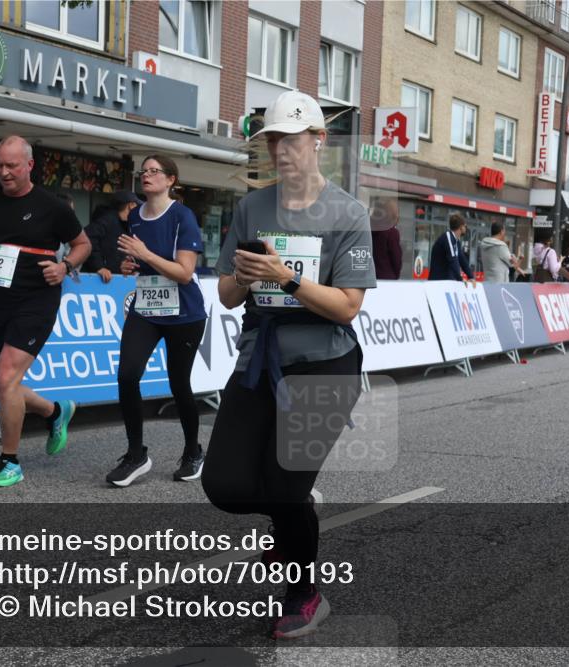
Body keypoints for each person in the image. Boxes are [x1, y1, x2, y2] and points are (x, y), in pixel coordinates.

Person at [201, 90, 375, 639]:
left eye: (291, 139)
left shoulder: (348, 212)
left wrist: (289, 279)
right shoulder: (252, 206)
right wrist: (246, 278)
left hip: (325, 362)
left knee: (283, 488)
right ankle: (292, 508)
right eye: (272, 140)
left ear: (318, 141)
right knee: (225, 486)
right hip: (259, 359)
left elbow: (348, 306)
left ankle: (304, 594)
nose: (280, 150)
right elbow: (228, 295)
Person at [0, 136, 91, 487]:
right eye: (0, 166)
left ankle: (10, 461)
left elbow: (83, 245)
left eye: (12, 166)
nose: (4, 172)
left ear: (29, 166)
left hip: (37, 301)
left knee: (7, 379)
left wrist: (65, 266)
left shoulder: (52, 207)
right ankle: (54, 412)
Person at [105, 156, 207, 486]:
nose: (146, 176)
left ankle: (193, 450)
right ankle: (136, 455)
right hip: (146, 308)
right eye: (143, 171)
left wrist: (145, 254)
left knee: (179, 384)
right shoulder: (134, 216)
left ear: (170, 180)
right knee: (127, 374)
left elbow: (184, 271)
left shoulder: (182, 216)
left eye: (153, 172)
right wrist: (130, 265)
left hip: (183, 313)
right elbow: (143, 260)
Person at [84, 190, 140, 283]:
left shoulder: (126, 225)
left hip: (113, 282)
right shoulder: (106, 221)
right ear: (131, 205)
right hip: (95, 282)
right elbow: (87, 239)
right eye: (137, 207)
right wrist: (99, 267)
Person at [429, 213, 474, 283]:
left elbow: (462, 260)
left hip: (446, 280)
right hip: (438, 281)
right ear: (461, 227)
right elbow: (453, 260)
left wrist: (471, 277)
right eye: (465, 226)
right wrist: (460, 279)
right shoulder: (448, 237)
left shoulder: (456, 241)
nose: (466, 228)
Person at [369, 197, 402, 280]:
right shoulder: (392, 233)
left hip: (369, 278)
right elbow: (396, 259)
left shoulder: (369, 230)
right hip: (387, 279)